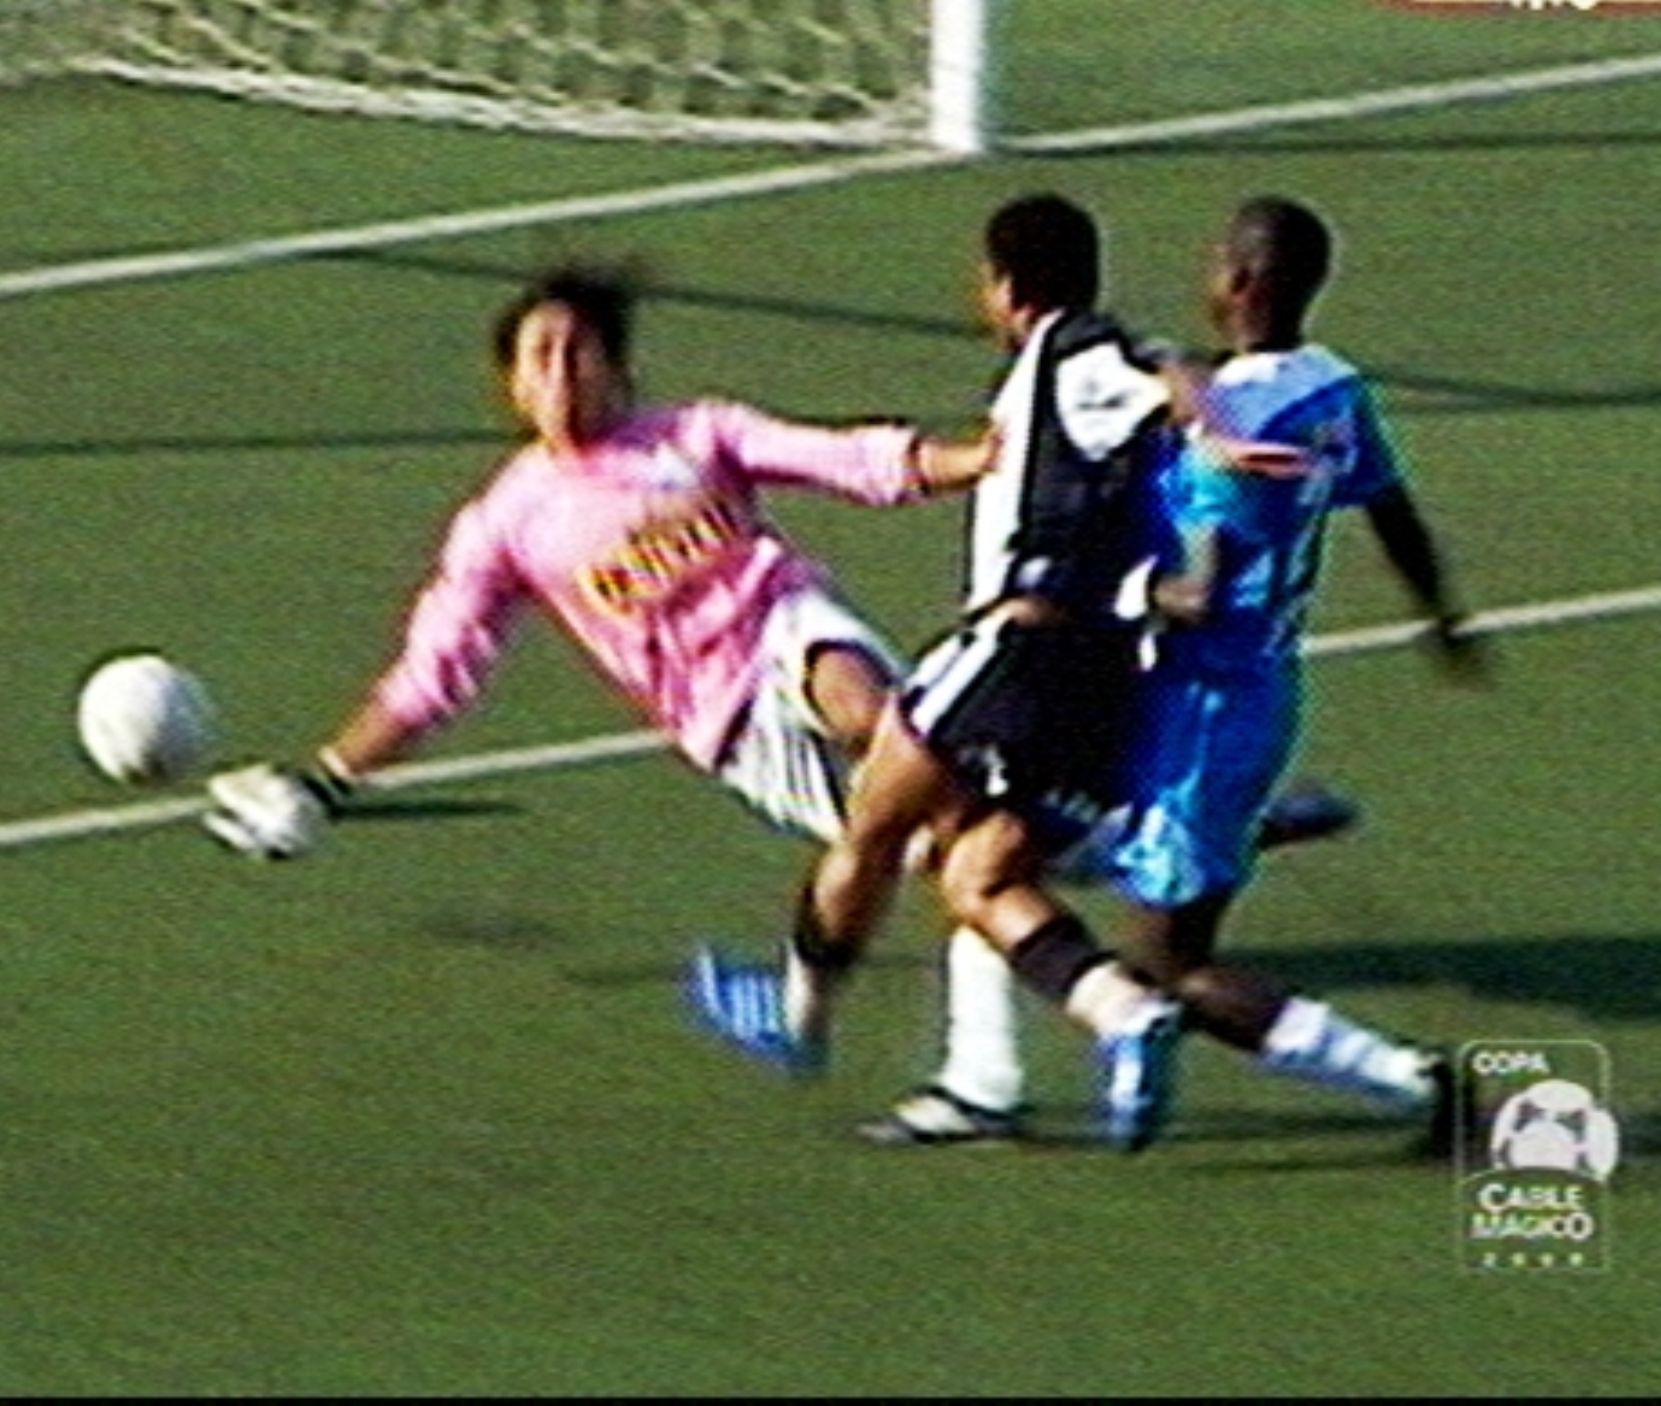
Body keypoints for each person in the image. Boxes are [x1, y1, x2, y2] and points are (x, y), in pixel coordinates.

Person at [859, 194, 1491, 1148]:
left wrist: (1112, 591)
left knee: (1168, 966)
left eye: (1212, 262)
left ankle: (1414, 1085)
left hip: (1190, 712)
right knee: (990, 851)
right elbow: (1394, 512)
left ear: (1237, 281)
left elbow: (1192, 589)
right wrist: (1441, 616)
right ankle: (988, 1069)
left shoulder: (1222, 429)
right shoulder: (1333, 391)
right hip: (1259, 696)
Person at [692, 193, 1215, 1151]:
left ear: (1005, 288)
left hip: (1019, 651)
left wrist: (1199, 405)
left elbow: (1154, 374)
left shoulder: (1070, 354)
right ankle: (1121, 1015)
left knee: (874, 824)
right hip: (1105, 670)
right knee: (977, 871)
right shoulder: (1072, 389)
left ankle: (797, 1021)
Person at [201, 262, 997, 863]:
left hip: (786, 625)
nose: (559, 373)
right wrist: (325, 779)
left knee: (873, 715)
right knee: (944, 849)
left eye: (577, 351)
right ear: (512, 385)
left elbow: (844, 459)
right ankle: (1018, 1031)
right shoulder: (505, 523)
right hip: (727, 718)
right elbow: (434, 674)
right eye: (538, 357)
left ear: (618, 369)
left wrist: (973, 460)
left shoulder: (694, 436)